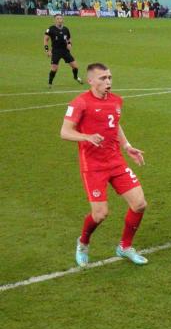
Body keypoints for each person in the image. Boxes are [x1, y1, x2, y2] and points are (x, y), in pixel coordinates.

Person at [61, 63, 149, 267]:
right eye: (103, 78)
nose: (108, 82)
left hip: (116, 161)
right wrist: (86, 136)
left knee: (140, 204)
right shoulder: (80, 102)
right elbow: (64, 132)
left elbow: (114, 123)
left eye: (109, 77)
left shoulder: (116, 101)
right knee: (100, 214)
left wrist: (127, 145)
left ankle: (125, 247)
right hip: (93, 166)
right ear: (91, 80)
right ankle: (83, 243)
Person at [44, 14, 82, 88]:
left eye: (61, 18)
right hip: (55, 51)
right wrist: (47, 50)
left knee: (75, 66)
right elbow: (46, 39)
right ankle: (50, 83)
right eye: (57, 19)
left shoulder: (66, 29)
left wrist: (70, 44)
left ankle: (75, 77)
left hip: (65, 51)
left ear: (63, 20)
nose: (59, 20)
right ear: (54, 20)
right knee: (54, 69)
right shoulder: (50, 29)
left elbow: (69, 38)